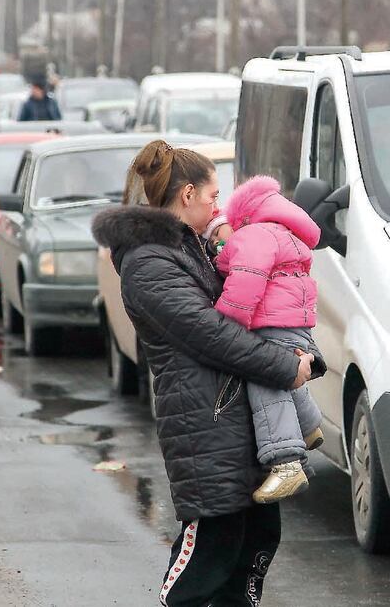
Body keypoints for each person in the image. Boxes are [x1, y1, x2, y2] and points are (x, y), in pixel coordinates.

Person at [91, 140, 315, 606]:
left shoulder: (190, 246)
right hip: (204, 426)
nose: (219, 206)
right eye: (213, 196)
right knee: (208, 556)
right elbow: (211, 333)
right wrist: (283, 367)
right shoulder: (148, 262)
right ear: (187, 194)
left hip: (234, 418)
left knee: (254, 544)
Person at [208, 175, 326, 503]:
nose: (219, 242)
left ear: (239, 219)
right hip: (292, 322)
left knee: (265, 381)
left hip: (273, 321)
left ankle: (286, 462)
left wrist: (225, 322)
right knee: (286, 375)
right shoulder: (280, 231)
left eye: (219, 233)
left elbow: (247, 281)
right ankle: (308, 425)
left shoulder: (253, 235)